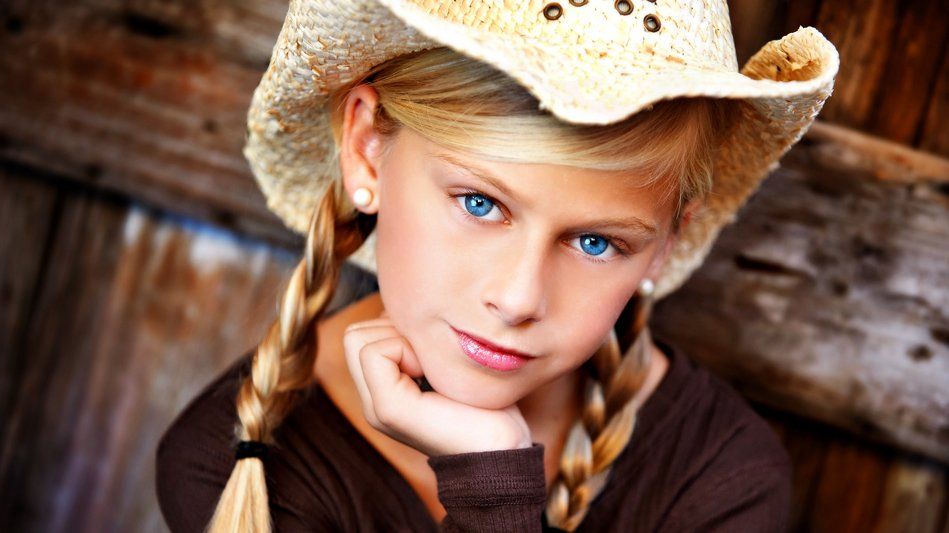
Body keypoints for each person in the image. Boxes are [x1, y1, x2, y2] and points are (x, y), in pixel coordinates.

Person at [155, 0, 840, 531]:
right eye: (479, 203)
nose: (517, 299)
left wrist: (489, 477)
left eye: (596, 242)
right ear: (366, 148)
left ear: (664, 244)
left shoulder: (718, 477)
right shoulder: (234, 468)